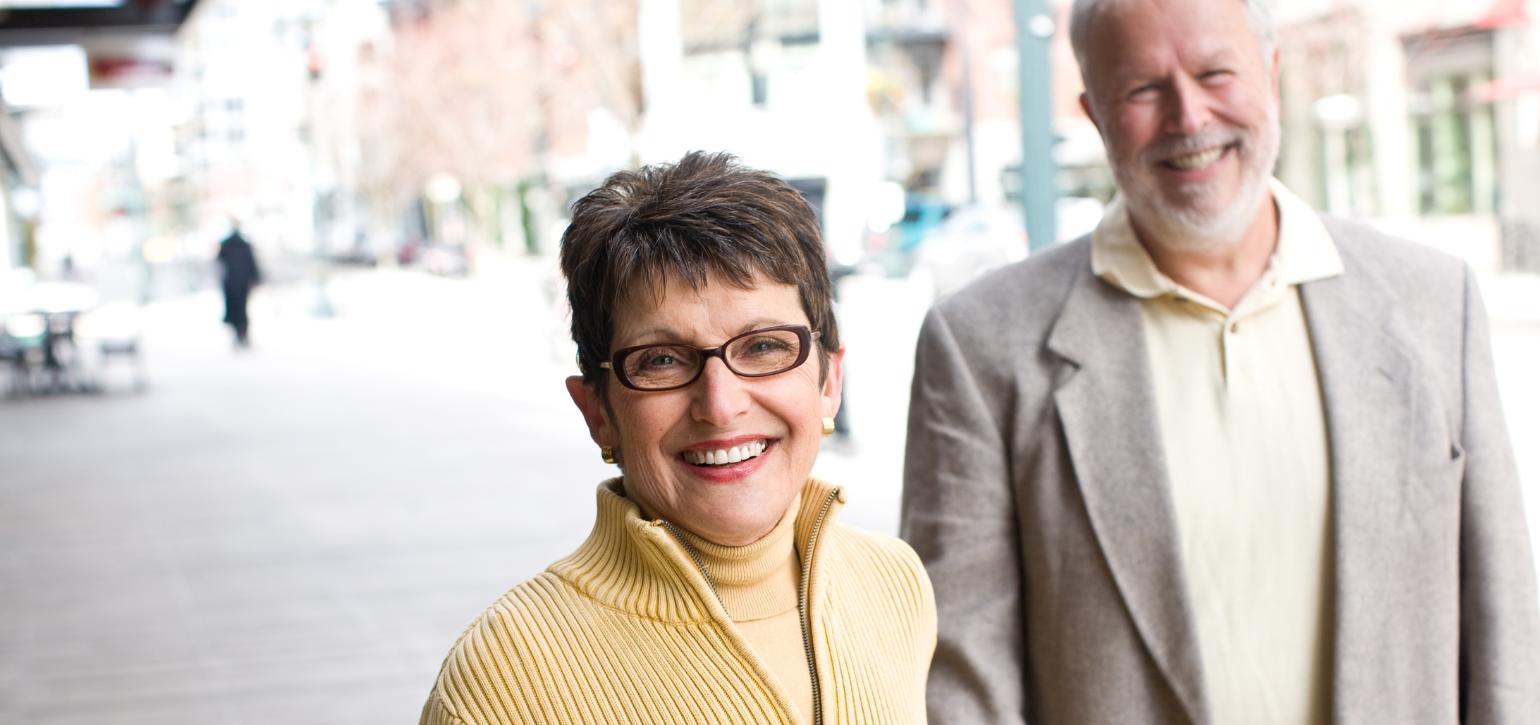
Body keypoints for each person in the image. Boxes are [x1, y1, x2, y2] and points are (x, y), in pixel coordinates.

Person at [899, 0, 1540, 722]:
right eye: (1143, 88)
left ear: (1272, 73)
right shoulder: (980, 346)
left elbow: (1505, 635)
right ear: (1094, 114)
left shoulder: (1433, 301)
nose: (1189, 116)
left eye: (1214, 73)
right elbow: (962, 679)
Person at [420, 152, 936, 725]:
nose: (720, 405)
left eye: (764, 346)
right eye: (662, 359)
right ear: (597, 411)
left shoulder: (894, 584)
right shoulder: (507, 679)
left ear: (829, 382)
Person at [216, 223, 261, 346]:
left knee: (234, 308)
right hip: (243, 282)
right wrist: (256, 277)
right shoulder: (245, 245)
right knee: (242, 308)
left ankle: (238, 334)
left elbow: (219, 260)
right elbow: (252, 263)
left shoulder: (226, 244)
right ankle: (242, 334)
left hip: (231, 281)